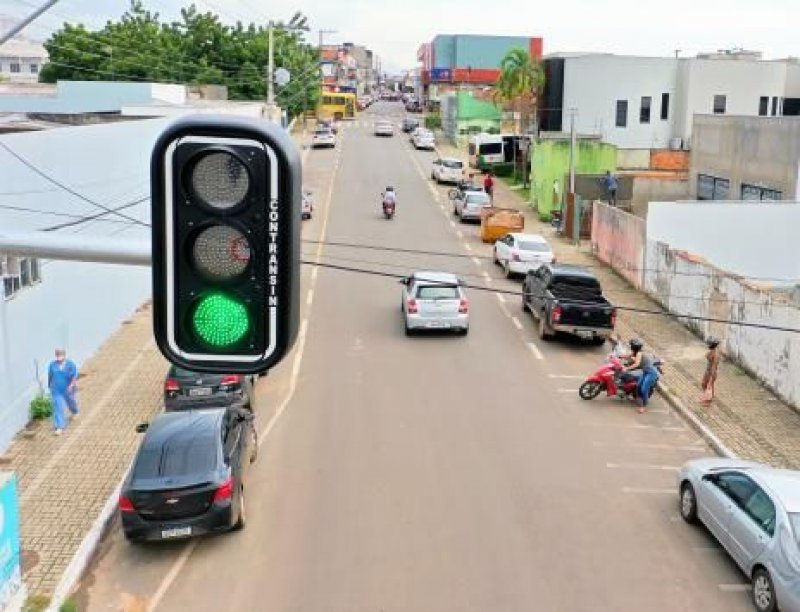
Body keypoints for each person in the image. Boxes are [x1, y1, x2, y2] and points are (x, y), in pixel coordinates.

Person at [48, 348, 79, 435]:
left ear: (64, 355)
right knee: (58, 407)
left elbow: (74, 376)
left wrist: (71, 385)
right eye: (57, 355)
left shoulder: (70, 364)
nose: (59, 358)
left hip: (68, 389)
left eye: (60, 355)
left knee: (71, 402)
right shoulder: (52, 365)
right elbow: (50, 376)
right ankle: (59, 427)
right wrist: (50, 386)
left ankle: (75, 411)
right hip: (56, 390)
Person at [700, 337, 721, 406]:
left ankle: (708, 401)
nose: (708, 345)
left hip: (711, 372)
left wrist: (711, 377)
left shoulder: (716, 355)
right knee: (704, 384)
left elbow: (714, 367)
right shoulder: (712, 351)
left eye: (709, 344)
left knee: (708, 386)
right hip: (708, 371)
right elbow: (706, 355)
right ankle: (709, 398)